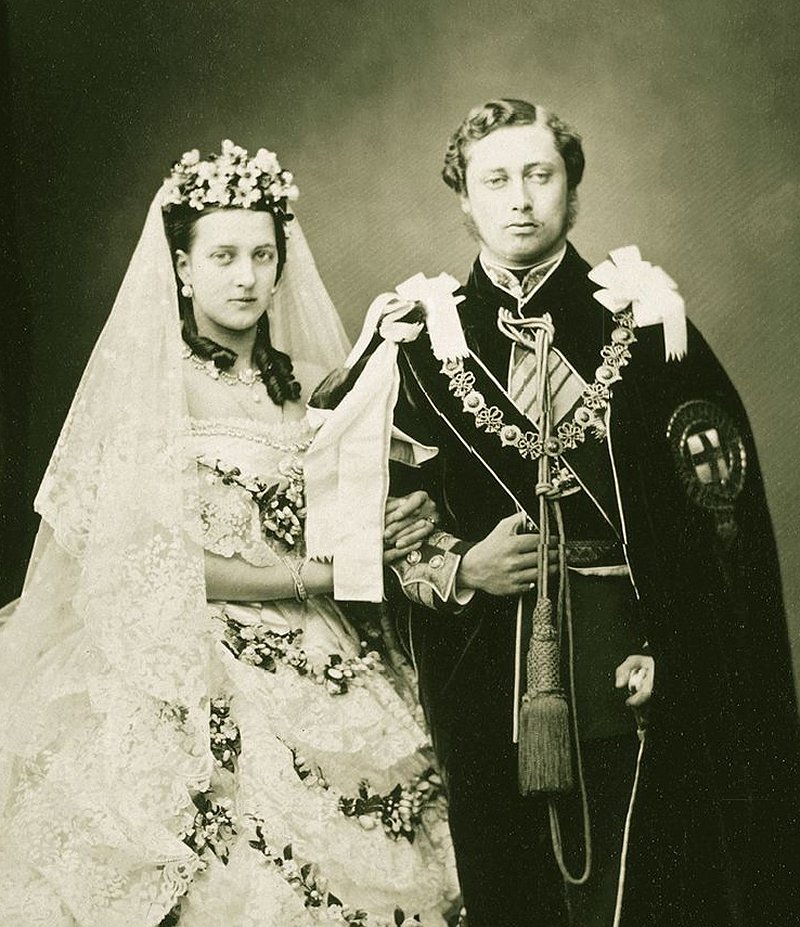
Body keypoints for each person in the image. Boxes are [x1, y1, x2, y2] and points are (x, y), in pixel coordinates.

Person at [308, 99, 800, 926]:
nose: (521, 199)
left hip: (636, 666)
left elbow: (718, 520)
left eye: (540, 175)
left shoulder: (645, 324)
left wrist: (673, 648)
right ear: (463, 198)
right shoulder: (420, 344)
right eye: (495, 180)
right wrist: (463, 566)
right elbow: (378, 519)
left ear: (572, 187)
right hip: (485, 674)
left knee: (650, 888)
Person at [0, 141, 461, 926]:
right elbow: (144, 556)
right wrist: (310, 577)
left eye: (261, 255)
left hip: (326, 644)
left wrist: (390, 526)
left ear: (282, 264)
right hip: (189, 647)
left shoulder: (308, 386)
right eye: (222, 256)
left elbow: (350, 508)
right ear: (181, 268)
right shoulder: (155, 388)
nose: (245, 276)